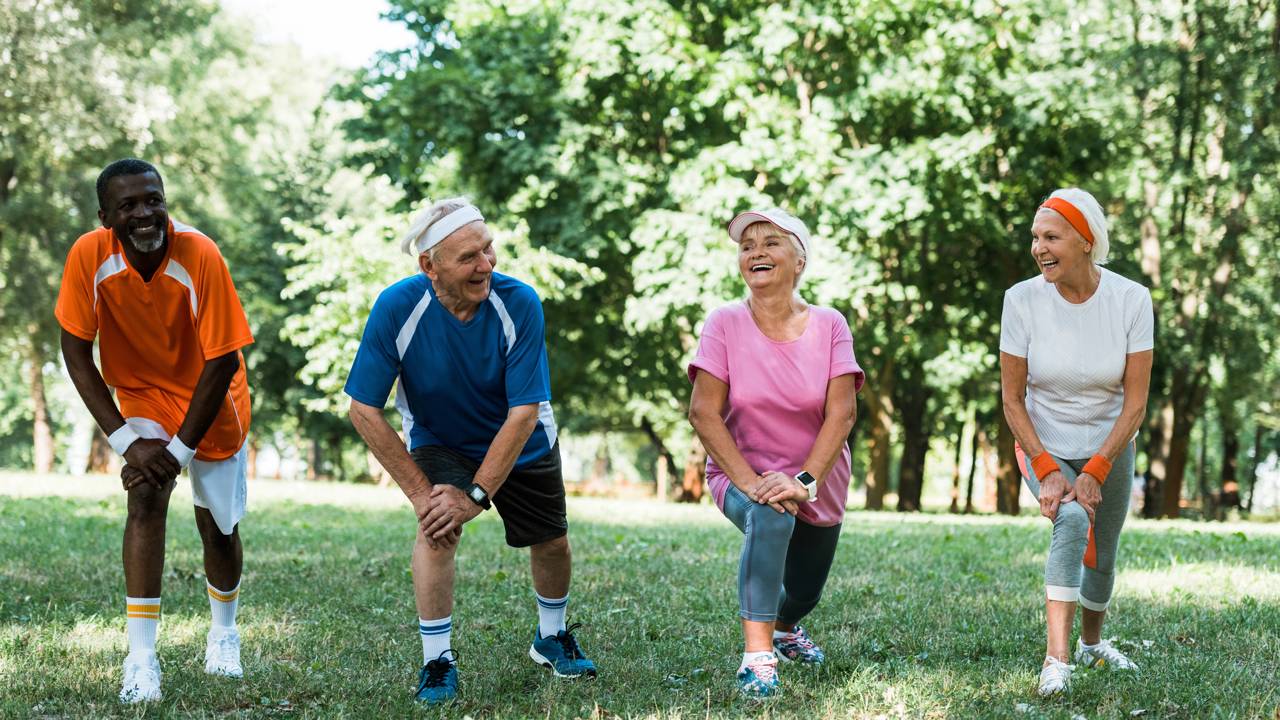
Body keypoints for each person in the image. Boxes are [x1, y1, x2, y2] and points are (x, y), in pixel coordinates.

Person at [345, 198, 596, 706]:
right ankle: (436, 660)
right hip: (442, 440)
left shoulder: (520, 302)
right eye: (468, 257)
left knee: (551, 540)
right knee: (436, 529)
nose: (486, 265)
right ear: (429, 267)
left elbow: (524, 412)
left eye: (488, 249)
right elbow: (363, 409)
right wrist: (422, 495)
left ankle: (551, 635)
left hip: (522, 439)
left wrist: (477, 493)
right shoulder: (397, 308)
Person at [56, 158, 255, 703]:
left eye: (154, 200)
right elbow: (76, 352)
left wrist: (181, 449)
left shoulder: (201, 254)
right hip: (142, 393)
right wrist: (126, 441)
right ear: (105, 218)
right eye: (129, 206)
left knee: (217, 526)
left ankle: (224, 633)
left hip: (212, 401)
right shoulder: (88, 256)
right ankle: (141, 658)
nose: (145, 214)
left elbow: (224, 362)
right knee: (144, 496)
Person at [687, 208, 863, 698]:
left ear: (799, 260)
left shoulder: (830, 325)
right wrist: (753, 483)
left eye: (771, 242)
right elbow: (704, 413)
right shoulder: (723, 322)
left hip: (818, 480)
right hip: (741, 473)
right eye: (747, 246)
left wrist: (804, 482)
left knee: (806, 591)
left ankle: (785, 628)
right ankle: (757, 658)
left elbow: (842, 415)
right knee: (771, 517)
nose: (756, 252)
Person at [999, 188, 1154, 696]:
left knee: (1102, 553)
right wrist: (1047, 469)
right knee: (1068, 520)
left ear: (1086, 240)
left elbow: (1135, 404)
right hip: (1041, 440)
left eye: (1051, 236)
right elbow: (1012, 400)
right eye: (1035, 238)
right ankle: (1056, 660)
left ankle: (1091, 646)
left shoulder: (1131, 299)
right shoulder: (1021, 300)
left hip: (1110, 443)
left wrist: (1097, 470)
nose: (1039, 248)